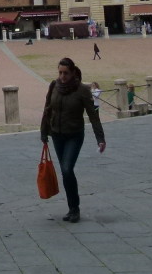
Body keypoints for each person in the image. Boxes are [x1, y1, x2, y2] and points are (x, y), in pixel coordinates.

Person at [40, 57, 105, 223]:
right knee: (65, 170)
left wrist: (100, 138)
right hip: (56, 134)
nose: (62, 76)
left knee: (67, 169)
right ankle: (71, 208)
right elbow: (47, 109)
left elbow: (93, 115)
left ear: (73, 73)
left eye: (66, 73)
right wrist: (44, 132)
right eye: (60, 72)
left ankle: (75, 208)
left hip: (74, 134)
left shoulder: (82, 90)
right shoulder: (54, 86)